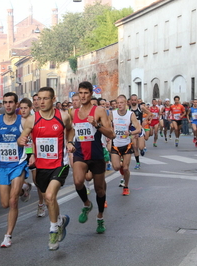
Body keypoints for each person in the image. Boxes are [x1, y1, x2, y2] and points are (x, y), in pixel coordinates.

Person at [18, 87, 73, 250]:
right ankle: (61, 220)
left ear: (53, 99)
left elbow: (70, 130)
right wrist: (21, 141)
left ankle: (53, 231)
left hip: (59, 164)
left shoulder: (63, 116)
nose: (41, 102)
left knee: (49, 196)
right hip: (41, 166)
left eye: (45, 99)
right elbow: (23, 137)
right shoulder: (32, 119)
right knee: (50, 200)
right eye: (39, 99)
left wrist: (70, 142)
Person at [0, 92, 29, 248]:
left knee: (12, 201)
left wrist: (32, 152)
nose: (8, 105)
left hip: (18, 164)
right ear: (2, 104)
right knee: (4, 204)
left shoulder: (23, 122)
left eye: (11, 102)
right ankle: (25, 187)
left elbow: (32, 139)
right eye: (5, 102)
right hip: (2, 166)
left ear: (16, 104)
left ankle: (8, 235)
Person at [70, 81, 115, 234]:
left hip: (96, 154)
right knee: (77, 181)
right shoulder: (73, 112)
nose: (82, 96)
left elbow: (111, 134)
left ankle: (100, 217)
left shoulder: (99, 111)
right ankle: (87, 204)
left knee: (100, 190)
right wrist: (70, 141)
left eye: (86, 93)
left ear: (91, 94)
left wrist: (96, 125)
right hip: (80, 153)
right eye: (80, 93)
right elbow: (70, 130)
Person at [110, 95, 142, 196]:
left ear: (125, 103)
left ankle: (126, 186)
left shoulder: (130, 114)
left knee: (126, 168)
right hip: (115, 144)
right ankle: (121, 168)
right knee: (116, 167)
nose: (119, 105)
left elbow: (138, 129)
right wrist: (109, 133)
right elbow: (106, 125)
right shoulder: (112, 113)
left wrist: (130, 133)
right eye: (117, 103)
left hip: (126, 144)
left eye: (121, 103)